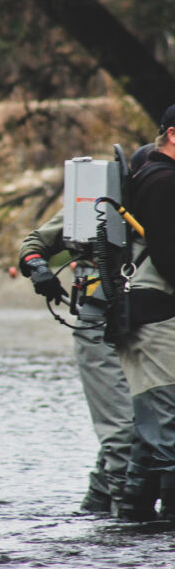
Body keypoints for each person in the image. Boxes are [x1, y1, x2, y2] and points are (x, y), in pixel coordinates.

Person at [19, 210, 134, 515]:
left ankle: (97, 508)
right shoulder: (102, 194)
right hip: (97, 319)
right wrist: (39, 269)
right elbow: (33, 245)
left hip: (150, 321)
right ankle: (130, 521)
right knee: (122, 432)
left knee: (143, 424)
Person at [114, 106, 175, 521]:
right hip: (154, 316)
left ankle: (132, 514)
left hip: (145, 314)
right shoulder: (163, 181)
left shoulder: (152, 176)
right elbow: (169, 256)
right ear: (173, 134)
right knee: (168, 423)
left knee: (150, 425)